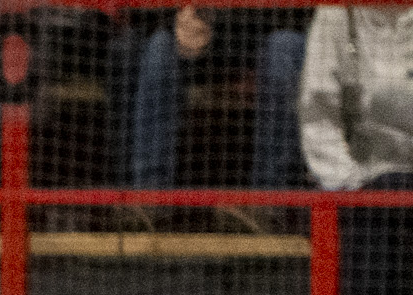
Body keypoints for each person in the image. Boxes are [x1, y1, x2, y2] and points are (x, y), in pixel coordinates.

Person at [300, 5, 413, 295]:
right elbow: (318, 117)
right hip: (361, 179)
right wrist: (351, 183)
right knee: (387, 216)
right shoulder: (337, 17)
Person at [110, 7, 309, 191]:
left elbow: (297, 15)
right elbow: (143, 14)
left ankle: (269, 199)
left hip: (257, 38)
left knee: (286, 45)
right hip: (186, 42)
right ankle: (150, 195)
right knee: (158, 47)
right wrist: (175, 22)